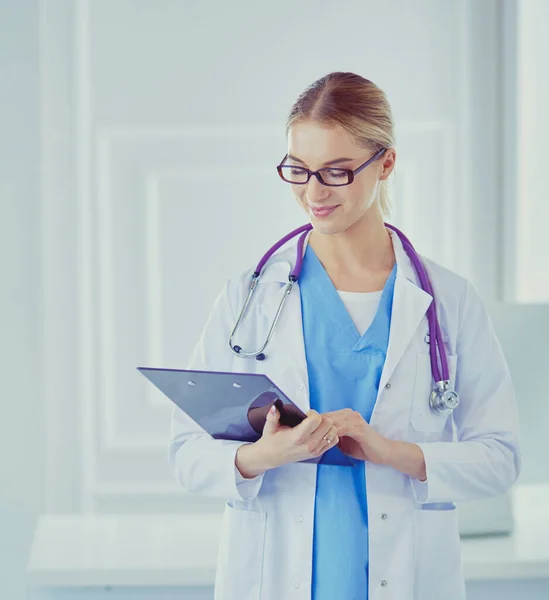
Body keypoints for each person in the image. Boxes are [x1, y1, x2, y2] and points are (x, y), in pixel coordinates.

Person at [168, 72, 521, 600]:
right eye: (297, 169)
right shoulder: (250, 297)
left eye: (336, 172)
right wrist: (264, 456)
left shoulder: (449, 301)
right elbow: (185, 453)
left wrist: (390, 451)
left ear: (386, 163)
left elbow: (500, 458)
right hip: (275, 575)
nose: (313, 192)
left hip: (407, 575)